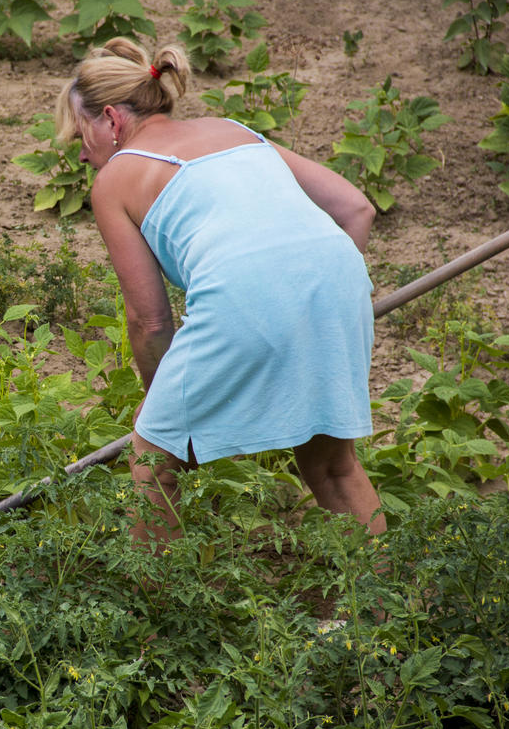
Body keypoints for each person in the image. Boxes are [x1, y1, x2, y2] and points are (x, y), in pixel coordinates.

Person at [55, 37, 386, 547]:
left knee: (153, 458)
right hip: (339, 279)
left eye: (81, 134)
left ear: (111, 121)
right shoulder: (234, 131)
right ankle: (382, 620)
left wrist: (158, 399)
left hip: (244, 293)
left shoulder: (117, 177)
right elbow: (355, 209)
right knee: (333, 465)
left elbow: (151, 322)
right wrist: (316, 301)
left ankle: (160, 618)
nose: (82, 152)